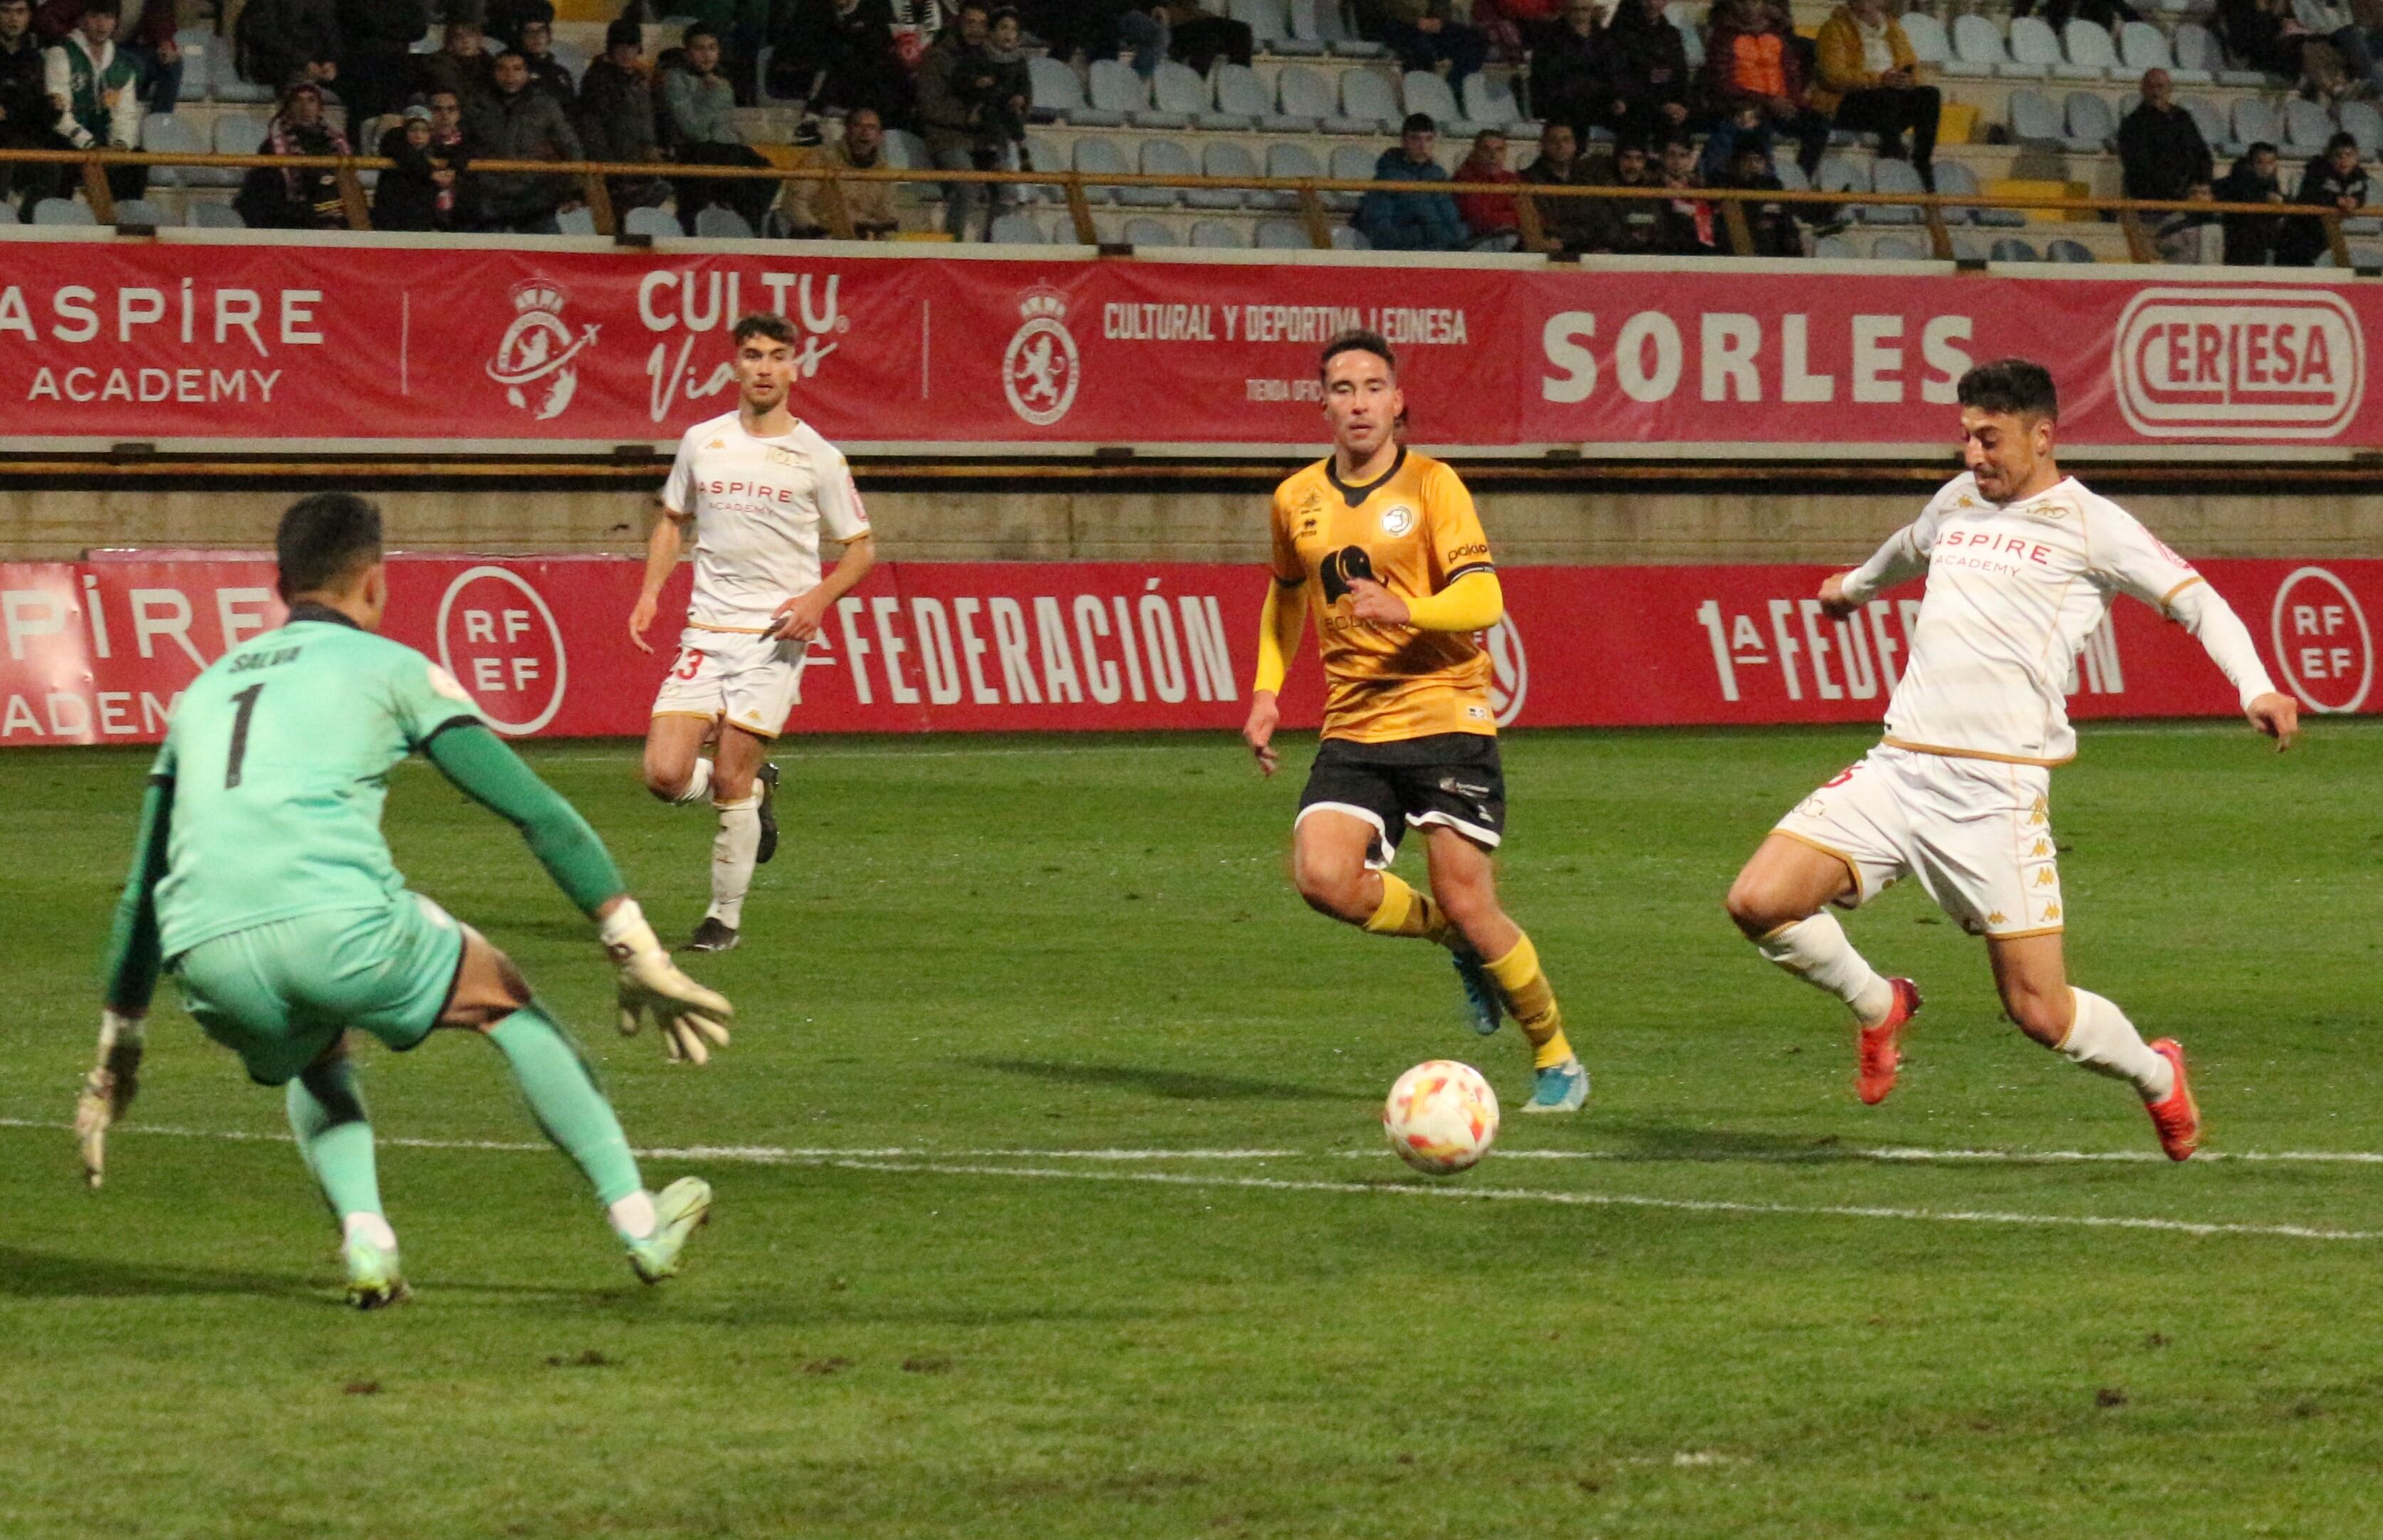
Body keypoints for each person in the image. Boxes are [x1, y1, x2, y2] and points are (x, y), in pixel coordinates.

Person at [78, 492, 734, 1306]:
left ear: (281, 584)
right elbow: (536, 812)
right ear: (376, 584)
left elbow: (142, 886)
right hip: (336, 931)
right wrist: (634, 944)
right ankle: (639, 1222)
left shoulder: (201, 692)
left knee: (316, 1047)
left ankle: (368, 1244)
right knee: (505, 1000)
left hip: (207, 963)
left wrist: (118, 1053)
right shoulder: (391, 670)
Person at [1722, 358, 2297, 1161]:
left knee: (2040, 1013)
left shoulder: (2093, 525)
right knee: (1758, 900)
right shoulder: (1957, 502)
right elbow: (1908, 549)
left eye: (1988, 440)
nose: (1972, 457)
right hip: (1901, 768)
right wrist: (1851, 589)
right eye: (1964, 438)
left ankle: (2155, 1073)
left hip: (1994, 794)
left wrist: (2257, 688)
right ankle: (1878, 1003)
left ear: (2042, 436)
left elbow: (2196, 601)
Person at [1241, 331, 1588, 1115]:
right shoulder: (1294, 498)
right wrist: (1267, 691)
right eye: (1341, 388)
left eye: (1372, 387)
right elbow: (1286, 593)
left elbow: (1485, 600)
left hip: (1445, 712)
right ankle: (1450, 942)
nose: (1357, 402)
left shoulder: (1434, 487)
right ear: (1321, 403)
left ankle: (1556, 1056)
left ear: (1397, 402)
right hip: (1355, 721)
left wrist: (1409, 608)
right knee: (1322, 879)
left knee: (1469, 897)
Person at [630, 313, 879, 953]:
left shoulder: (818, 457)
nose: (764, 367)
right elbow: (672, 521)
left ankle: (723, 919)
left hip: (773, 637)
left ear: (795, 366)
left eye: (776, 355)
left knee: (730, 779)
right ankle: (759, 785)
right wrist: (652, 592)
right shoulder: (701, 441)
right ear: (734, 365)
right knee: (662, 774)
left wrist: (817, 599)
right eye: (752, 355)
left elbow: (860, 549)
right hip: (706, 631)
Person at [663, 22, 777, 234]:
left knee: (768, 174)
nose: (707, 55)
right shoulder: (675, 78)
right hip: (693, 151)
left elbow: (727, 128)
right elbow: (694, 131)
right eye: (699, 48)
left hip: (724, 149)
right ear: (688, 53)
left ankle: (750, 234)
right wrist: (714, 94)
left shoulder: (721, 81)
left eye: (712, 48)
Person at [1811, 0, 1937, 186]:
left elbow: (1913, 66)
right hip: (1848, 102)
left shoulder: (1894, 29)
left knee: (1930, 95)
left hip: (1890, 100)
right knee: (1886, 95)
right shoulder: (1834, 28)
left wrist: (1909, 80)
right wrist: (1879, 80)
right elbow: (1834, 76)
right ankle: (1892, 155)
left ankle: (1922, 161)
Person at [465, 47, 583, 233]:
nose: (509, 75)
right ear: (493, 73)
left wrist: (576, 190)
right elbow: (462, 144)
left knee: (548, 254)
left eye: (517, 69)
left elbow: (570, 146)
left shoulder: (545, 105)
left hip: (534, 197)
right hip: (487, 199)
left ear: (528, 73)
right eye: (502, 69)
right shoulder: (476, 105)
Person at [1706, 0, 1830, 177]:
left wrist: (1794, 103)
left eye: (1754, 3)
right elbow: (1724, 85)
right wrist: (1768, 101)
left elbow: (1791, 74)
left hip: (1778, 104)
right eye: (1742, 3)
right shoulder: (1722, 38)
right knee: (1755, 124)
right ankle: (1761, 181)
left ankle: (1801, 178)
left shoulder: (1777, 36)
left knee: (1818, 124)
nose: (1748, 8)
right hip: (1743, 105)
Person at [916, 1, 1004, 239]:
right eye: (970, 23)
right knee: (967, 189)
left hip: (983, 139)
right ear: (958, 23)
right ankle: (952, 250)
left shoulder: (992, 59)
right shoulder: (937, 56)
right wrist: (967, 117)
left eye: (982, 24)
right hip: (947, 138)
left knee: (1007, 188)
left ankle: (991, 250)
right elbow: (930, 106)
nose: (976, 30)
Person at [43, 0, 141, 203]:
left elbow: (125, 115)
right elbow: (58, 113)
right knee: (64, 154)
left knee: (137, 159)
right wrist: (88, 143)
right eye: (95, 16)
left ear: (116, 22)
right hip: (70, 140)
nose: (101, 24)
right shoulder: (62, 54)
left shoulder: (122, 65)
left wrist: (121, 144)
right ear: (81, 20)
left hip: (105, 144)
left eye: (108, 17)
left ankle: (123, 223)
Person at [577, 17, 670, 212]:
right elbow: (593, 133)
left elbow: (653, 120)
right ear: (611, 48)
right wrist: (615, 175)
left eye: (632, 47)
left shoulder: (641, 79)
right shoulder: (597, 81)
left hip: (644, 169)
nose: (627, 54)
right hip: (617, 175)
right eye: (621, 48)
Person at [234, 78, 350, 229]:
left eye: (311, 100)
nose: (305, 108)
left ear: (320, 108)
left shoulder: (338, 144)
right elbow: (272, 202)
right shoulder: (272, 147)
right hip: (295, 223)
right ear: (288, 108)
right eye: (297, 101)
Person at [766, 0, 907, 120]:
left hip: (861, 78)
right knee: (840, 56)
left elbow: (883, 44)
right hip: (812, 75)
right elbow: (799, 47)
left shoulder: (876, 5)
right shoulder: (812, 6)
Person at [779, 102, 904, 236]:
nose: (865, 132)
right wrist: (817, 232)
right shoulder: (820, 158)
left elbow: (887, 215)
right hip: (819, 242)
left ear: (880, 136)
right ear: (847, 130)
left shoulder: (883, 172)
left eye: (871, 127)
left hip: (861, 246)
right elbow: (795, 202)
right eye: (858, 125)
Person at [1355, 112, 1468, 251]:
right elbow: (1381, 228)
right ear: (1404, 141)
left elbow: (1452, 219)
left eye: (1428, 139)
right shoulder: (1387, 178)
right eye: (1416, 139)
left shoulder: (1438, 176)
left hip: (1442, 251)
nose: (1423, 146)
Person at [1596, 0, 1692, 149]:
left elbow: (1681, 76)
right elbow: (1620, 79)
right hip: (1632, 108)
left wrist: (1682, 105)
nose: (1653, 4)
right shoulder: (1618, 35)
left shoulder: (1672, 35)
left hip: (1666, 106)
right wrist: (1661, 105)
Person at [2117, 68, 2211, 204]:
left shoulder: (2182, 118)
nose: (2156, 92)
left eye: (2160, 86)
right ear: (2142, 89)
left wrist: (2202, 182)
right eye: (2151, 87)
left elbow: (2201, 153)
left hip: (2188, 190)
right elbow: (2138, 166)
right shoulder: (2132, 124)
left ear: (2170, 89)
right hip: (2154, 194)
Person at [372, 97, 467, 230]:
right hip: (394, 222)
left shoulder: (433, 148)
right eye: (413, 130)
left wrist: (453, 169)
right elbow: (405, 153)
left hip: (421, 222)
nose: (418, 135)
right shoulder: (394, 142)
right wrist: (432, 173)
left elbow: (463, 151)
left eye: (424, 130)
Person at [0, 0, 59, 211]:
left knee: (51, 165)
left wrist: (52, 108)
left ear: (29, 16)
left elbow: (33, 110)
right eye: (6, 11)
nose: (13, 19)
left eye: (19, 12)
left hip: (21, 138)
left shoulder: (35, 57)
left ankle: (28, 228)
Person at [337, 0, 432, 125]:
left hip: (397, 68)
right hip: (362, 68)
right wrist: (394, 26)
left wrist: (384, 29)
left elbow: (419, 28)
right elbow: (355, 22)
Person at [2280, 128, 2368, 263]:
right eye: (2338, 156)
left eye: (2348, 155)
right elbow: (2310, 196)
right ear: (2329, 157)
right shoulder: (2317, 172)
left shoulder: (2359, 177)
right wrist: (2334, 200)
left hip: (2325, 234)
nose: (2343, 160)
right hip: (2299, 234)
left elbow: (2361, 195)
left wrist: (2355, 201)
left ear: (2356, 156)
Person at [1526, 0, 1603, 143]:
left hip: (1596, 99)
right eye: (1575, 10)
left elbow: (1612, 70)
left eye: (1585, 10)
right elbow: (1548, 76)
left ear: (1592, 11)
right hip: (1561, 99)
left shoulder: (1602, 37)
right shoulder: (1550, 37)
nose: (1580, 15)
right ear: (1565, 11)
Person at [1519, 119, 1601, 252]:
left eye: (1566, 140)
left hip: (1587, 248)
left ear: (1575, 145)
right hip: (1549, 251)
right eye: (1554, 141)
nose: (1560, 146)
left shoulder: (1589, 179)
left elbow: (1597, 219)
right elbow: (1544, 224)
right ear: (1543, 145)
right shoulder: (1529, 180)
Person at [1586, 136, 1665, 252]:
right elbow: (1603, 227)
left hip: (1649, 254)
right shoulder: (1602, 189)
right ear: (1617, 160)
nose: (1633, 165)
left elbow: (1659, 226)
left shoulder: (1654, 188)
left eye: (1639, 159)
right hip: (1612, 253)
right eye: (1627, 158)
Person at [1726, 137, 1803, 255]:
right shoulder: (1730, 186)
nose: (1753, 165)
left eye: (1758, 160)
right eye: (1747, 160)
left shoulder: (1774, 185)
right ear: (1737, 163)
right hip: (1747, 234)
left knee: (1801, 237)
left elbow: (1785, 213)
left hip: (1777, 234)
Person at [2215, 140, 2287, 263]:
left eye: (2270, 162)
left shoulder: (2272, 184)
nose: (2265, 167)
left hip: (2262, 244)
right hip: (2238, 244)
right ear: (2250, 163)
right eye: (2260, 162)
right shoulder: (2235, 183)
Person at [1454, 126, 1521, 248]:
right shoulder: (1464, 179)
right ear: (1476, 152)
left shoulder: (1511, 179)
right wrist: (1512, 218)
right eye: (1486, 149)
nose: (1493, 156)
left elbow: (1528, 215)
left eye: (1499, 150)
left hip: (1512, 236)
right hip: (1477, 241)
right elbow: (1482, 220)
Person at [1656, 131, 1722, 253]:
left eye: (1683, 156)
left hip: (1705, 253)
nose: (1677, 162)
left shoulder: (1703, 189)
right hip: (1668, 252)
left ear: (1690, 159)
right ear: (1662, 157)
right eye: (1672, 155)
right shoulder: (1652, 187)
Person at [515, 17, 575, 101]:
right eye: (529, 32)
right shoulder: (515, 70)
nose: (536, 37)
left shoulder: (561, 72)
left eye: (541, 31)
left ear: (549, 36)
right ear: (521, 37)